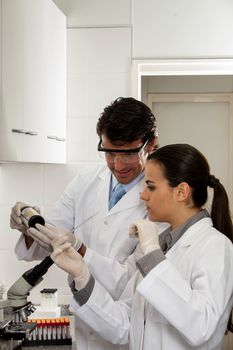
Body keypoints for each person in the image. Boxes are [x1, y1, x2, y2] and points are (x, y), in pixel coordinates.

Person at [41, 143, 233, 350]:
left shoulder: (214, 246)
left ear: (181, 192)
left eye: (150, 186)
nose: (142, 195)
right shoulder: (162, 247)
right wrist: (82, 277)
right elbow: (125, 324)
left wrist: (152, 255)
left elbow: (201, 326)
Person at [10, 97, 166, 350]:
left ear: (151, 145)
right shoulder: (86, 180)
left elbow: (136, 281)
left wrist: (82, 250)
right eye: (109, 152)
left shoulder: (160, 198)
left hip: (129, 332)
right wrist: (27, 226)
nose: (117, 164)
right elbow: (50, 241)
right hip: (85, 328)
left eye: (127, 153)